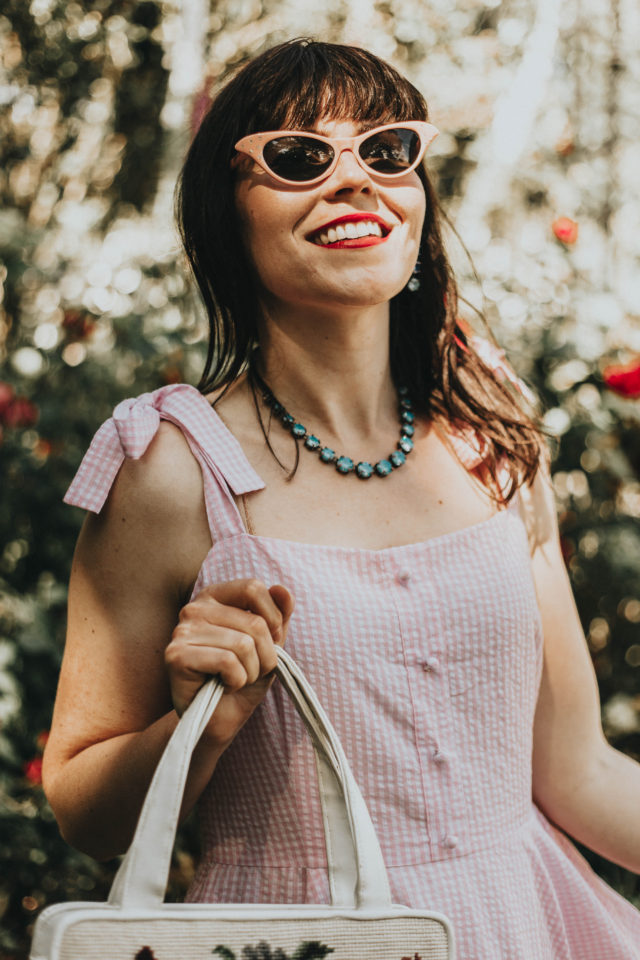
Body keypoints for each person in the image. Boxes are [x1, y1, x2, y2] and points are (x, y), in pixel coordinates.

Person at [42, 38, 640, 959]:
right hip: (295, 940)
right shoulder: (168, 467)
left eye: (387, 150)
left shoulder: (492, 442)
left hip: (525, 923)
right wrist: (200, 724)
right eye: (298, 157)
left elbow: (578, 772)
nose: (355, 179)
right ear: (226, 212)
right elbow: (85, 810)